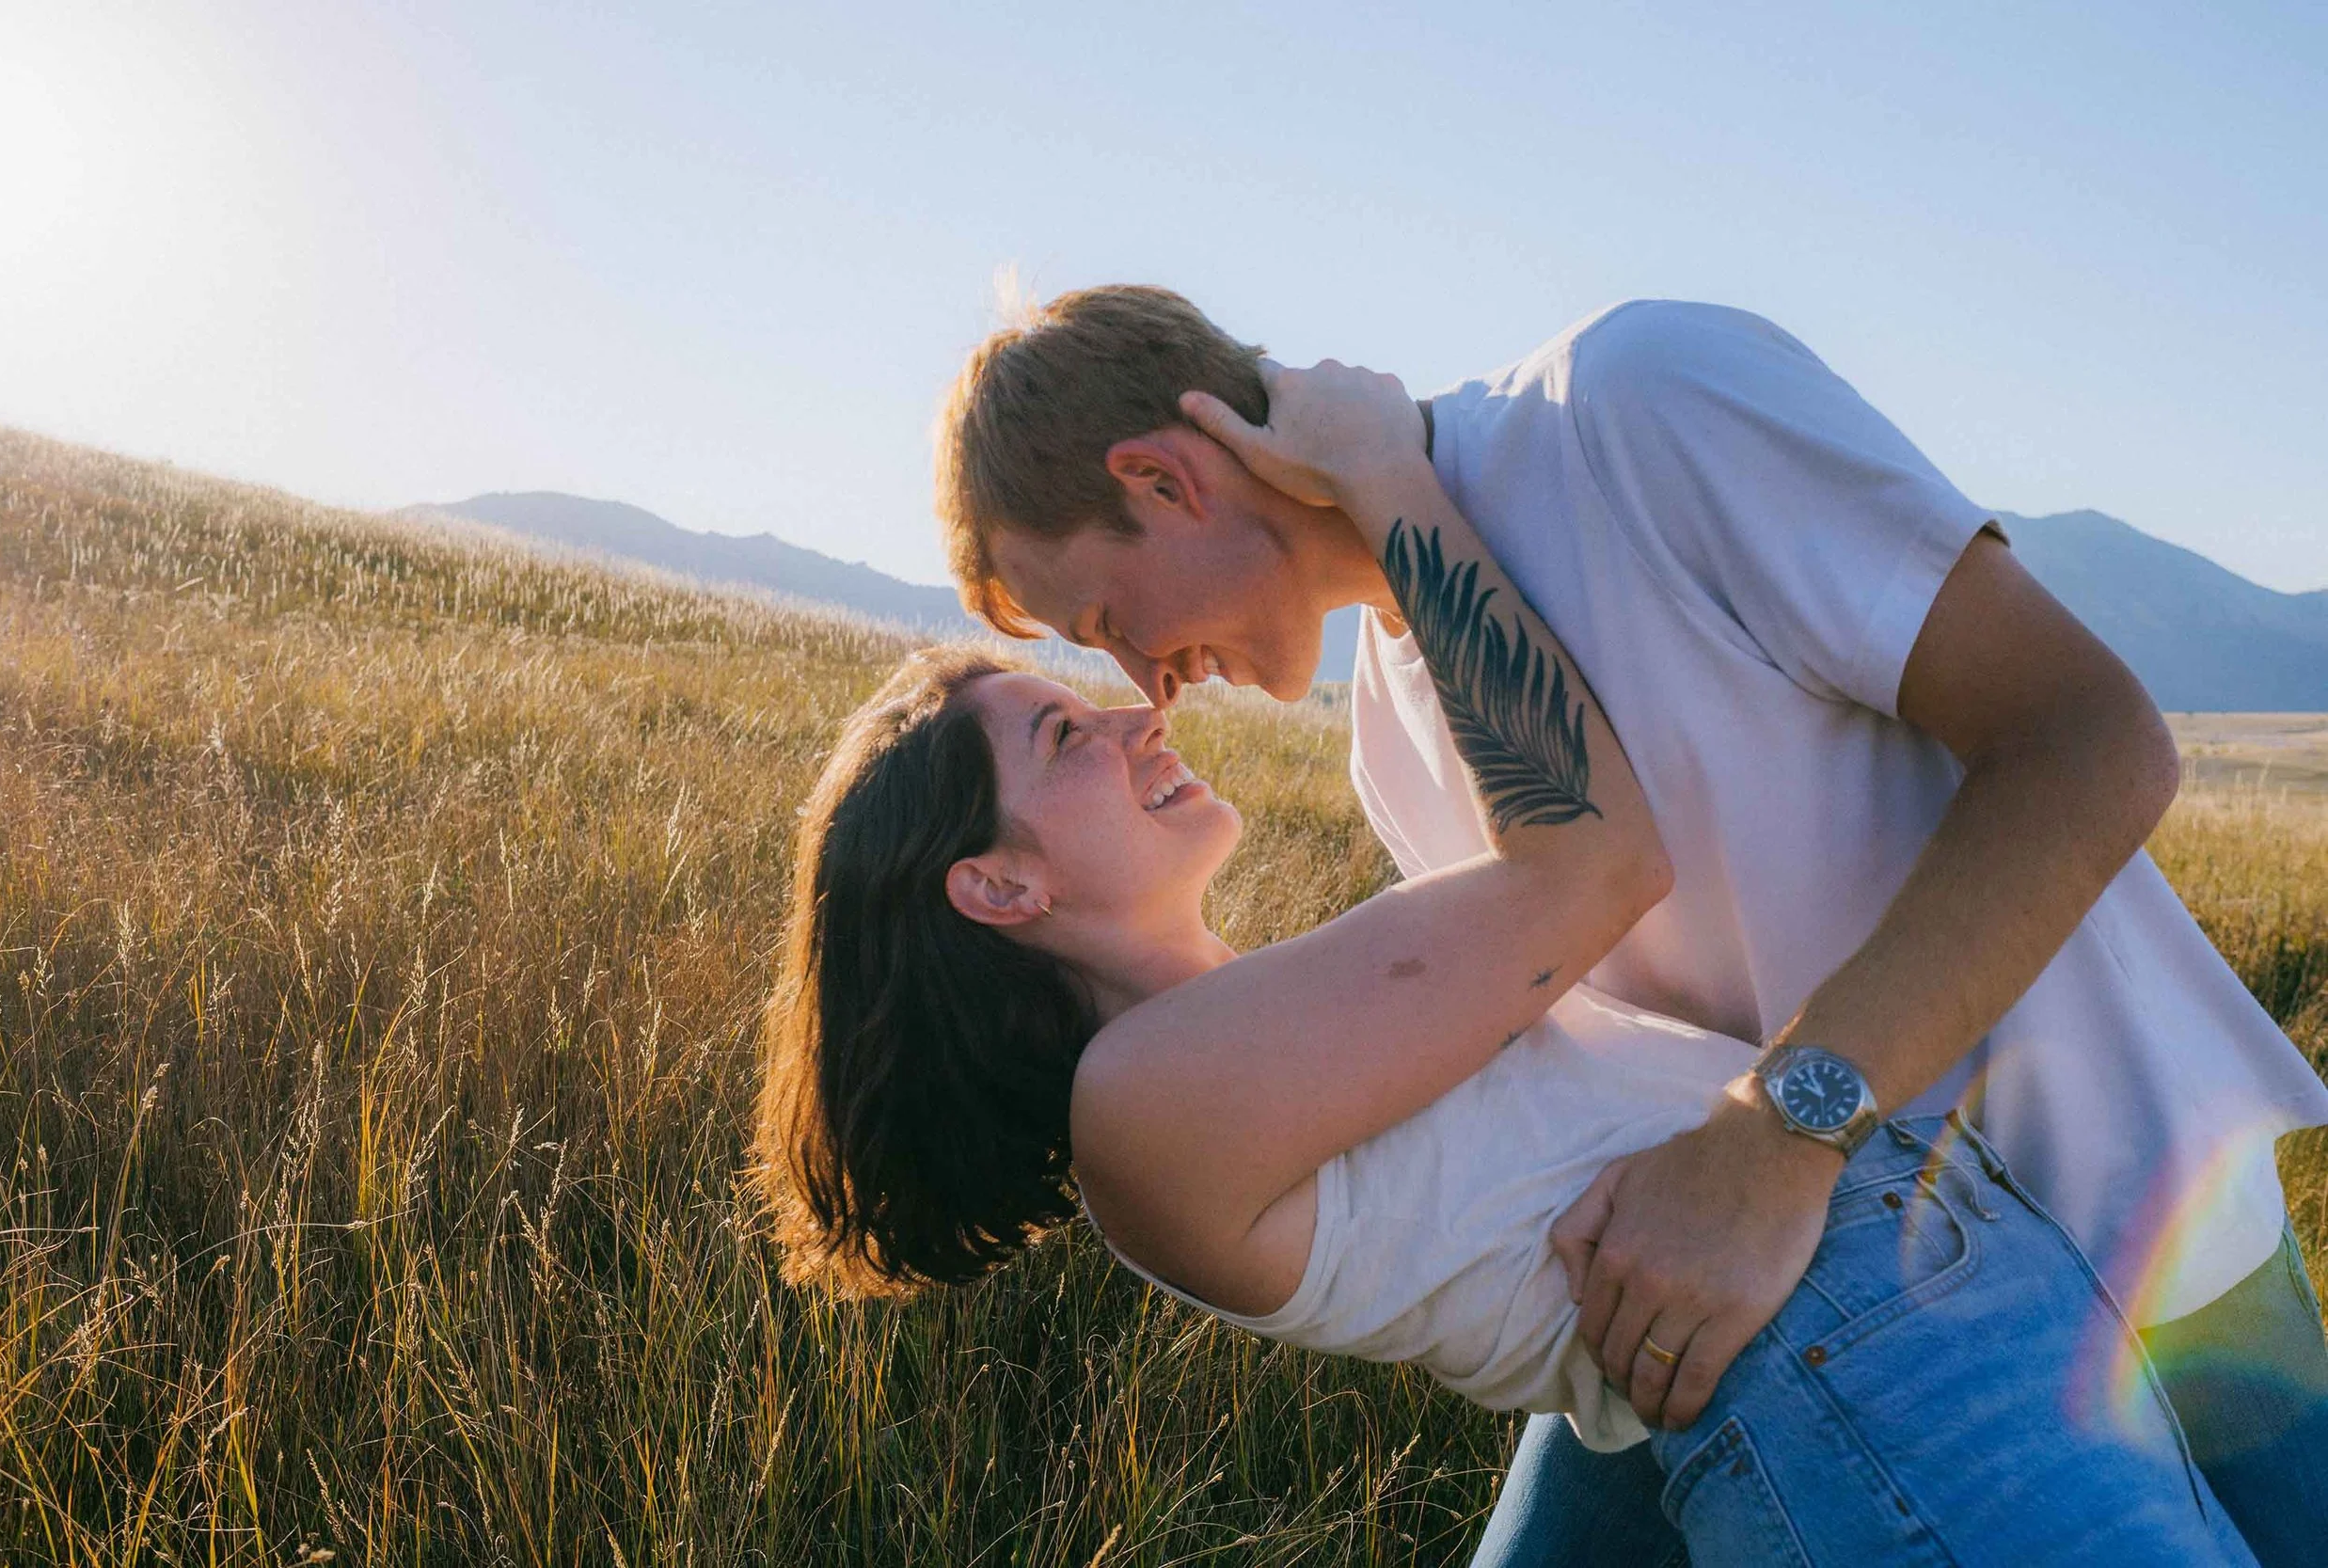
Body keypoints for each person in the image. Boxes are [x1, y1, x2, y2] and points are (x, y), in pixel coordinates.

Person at [927, 286, 2328, 1565]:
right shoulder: (1396, 751)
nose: (1146, 684)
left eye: (1110, 615)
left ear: (1161, 479)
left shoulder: (1636, 408)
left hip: (2140, 1237)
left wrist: (1783, 1130)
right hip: (1754, 1303)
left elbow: (2095, 738)